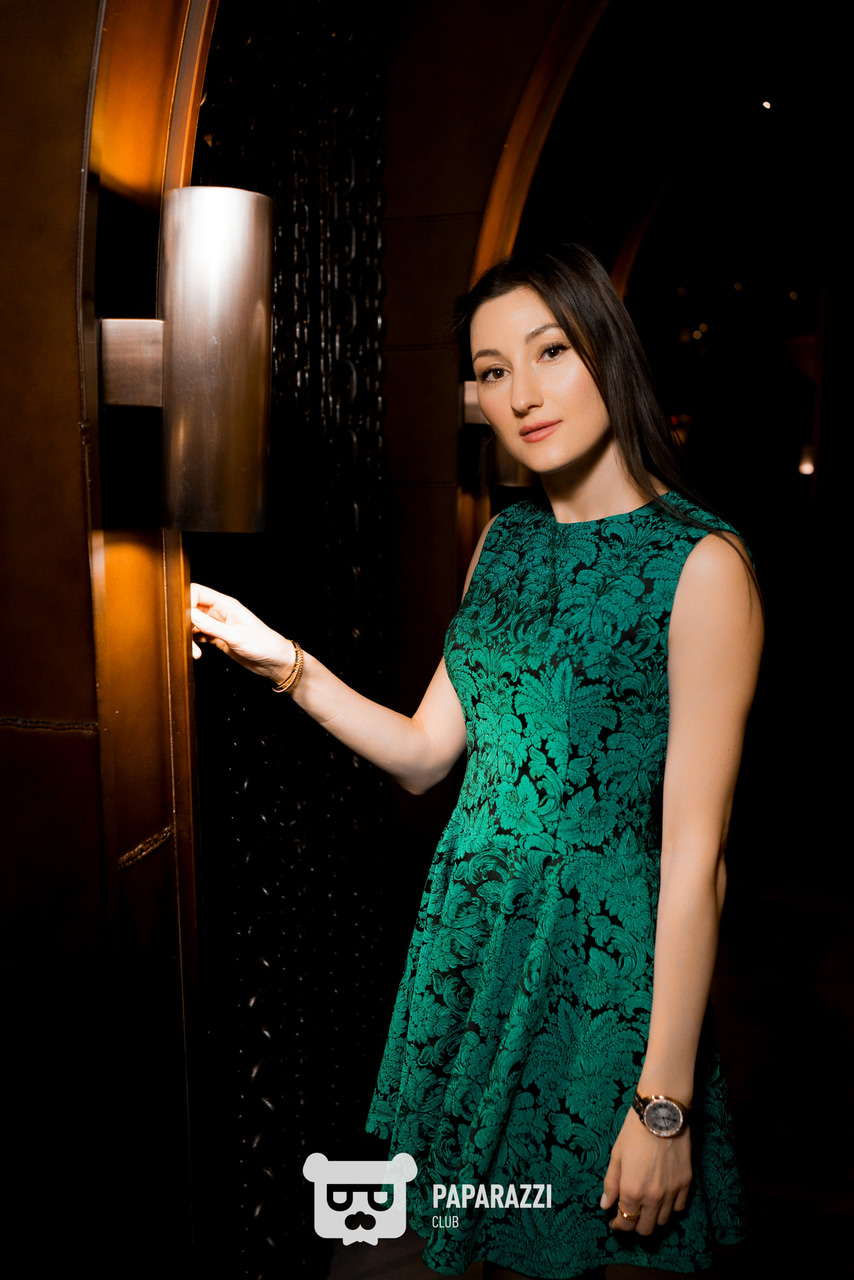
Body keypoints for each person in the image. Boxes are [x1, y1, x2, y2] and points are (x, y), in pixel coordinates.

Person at [191, 245, 763, 1280]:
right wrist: (282, 661)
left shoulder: (701, 563)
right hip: (472, 945)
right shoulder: (504, 542)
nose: (521, 393)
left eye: (550, 351)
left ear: (608, 351)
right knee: (447, 1245)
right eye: (492, 370)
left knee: (586, 1248)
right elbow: (424, 755)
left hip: (600, 975)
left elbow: (695, 858)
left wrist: (664, 1101)